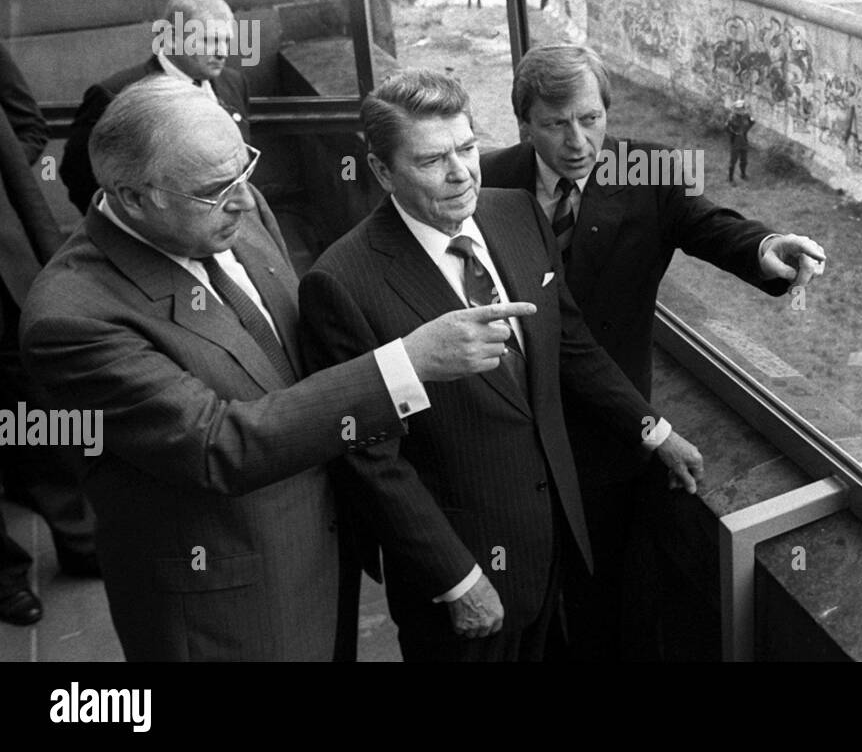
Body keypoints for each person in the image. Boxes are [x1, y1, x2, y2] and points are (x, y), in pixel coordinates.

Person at [20, 76, 532, 661]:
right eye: (217, 189)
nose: (245, 198)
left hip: (327, 567)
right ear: (133, 196)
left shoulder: (235, 207)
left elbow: (296, 372)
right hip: (230, 612)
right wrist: (406, 363)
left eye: (245, 169)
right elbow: (218, 445)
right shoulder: (71, 320)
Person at [298, 69, 704, 662]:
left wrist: (653, 429)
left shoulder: (517, 213)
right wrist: (457, 580)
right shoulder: (341, 283)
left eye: (466, 148)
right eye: (433, 160)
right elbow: (370, 461)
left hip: (559, 549)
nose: (461, 172)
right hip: (463, 581)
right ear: (383, 172)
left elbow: (568, 344)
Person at [479, 44, 826, 659]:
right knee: (522, 592)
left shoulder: (646, 172)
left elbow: (708, 225)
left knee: (607, 598)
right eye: (557, 124)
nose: (579, 141)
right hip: (508, 427)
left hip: (608, 432)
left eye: (591, 118)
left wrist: (767, 246)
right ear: (525, 123)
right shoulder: (489, 179)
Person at [0, 44, 98, 628]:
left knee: (37, 409)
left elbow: (24, 128)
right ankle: (5, 577)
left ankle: (81, 540)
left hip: (7, 270)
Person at [60, 0, 253, 213]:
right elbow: (77, 174)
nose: (222, 52)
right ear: (171, 38)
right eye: (209, 41)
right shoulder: (115, 94)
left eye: (226, 41)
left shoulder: (234, 83)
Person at [726, 98, 756, 183]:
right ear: (736, 109)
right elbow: (727, 128)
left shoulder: (746, 116)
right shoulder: (732, 117)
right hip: (735, 142)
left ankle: (743, 174)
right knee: (733, 161)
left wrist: (746, 130)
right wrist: (734, 133)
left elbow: (751, 123)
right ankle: (730, 178)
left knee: (744, 160)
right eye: (739, 109)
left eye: (742, 108)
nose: (741, 110)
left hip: (744, 141)